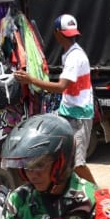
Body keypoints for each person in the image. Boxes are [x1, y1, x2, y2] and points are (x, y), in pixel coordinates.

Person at [14, 13, 96, 184]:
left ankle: (98, 193)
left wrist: (31, 79)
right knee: (63, 158)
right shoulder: (70, 54)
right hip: (69, 112)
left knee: (78, 164)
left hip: (79, 116)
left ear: (57, 34)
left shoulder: (74, 57)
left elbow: (60, 87)